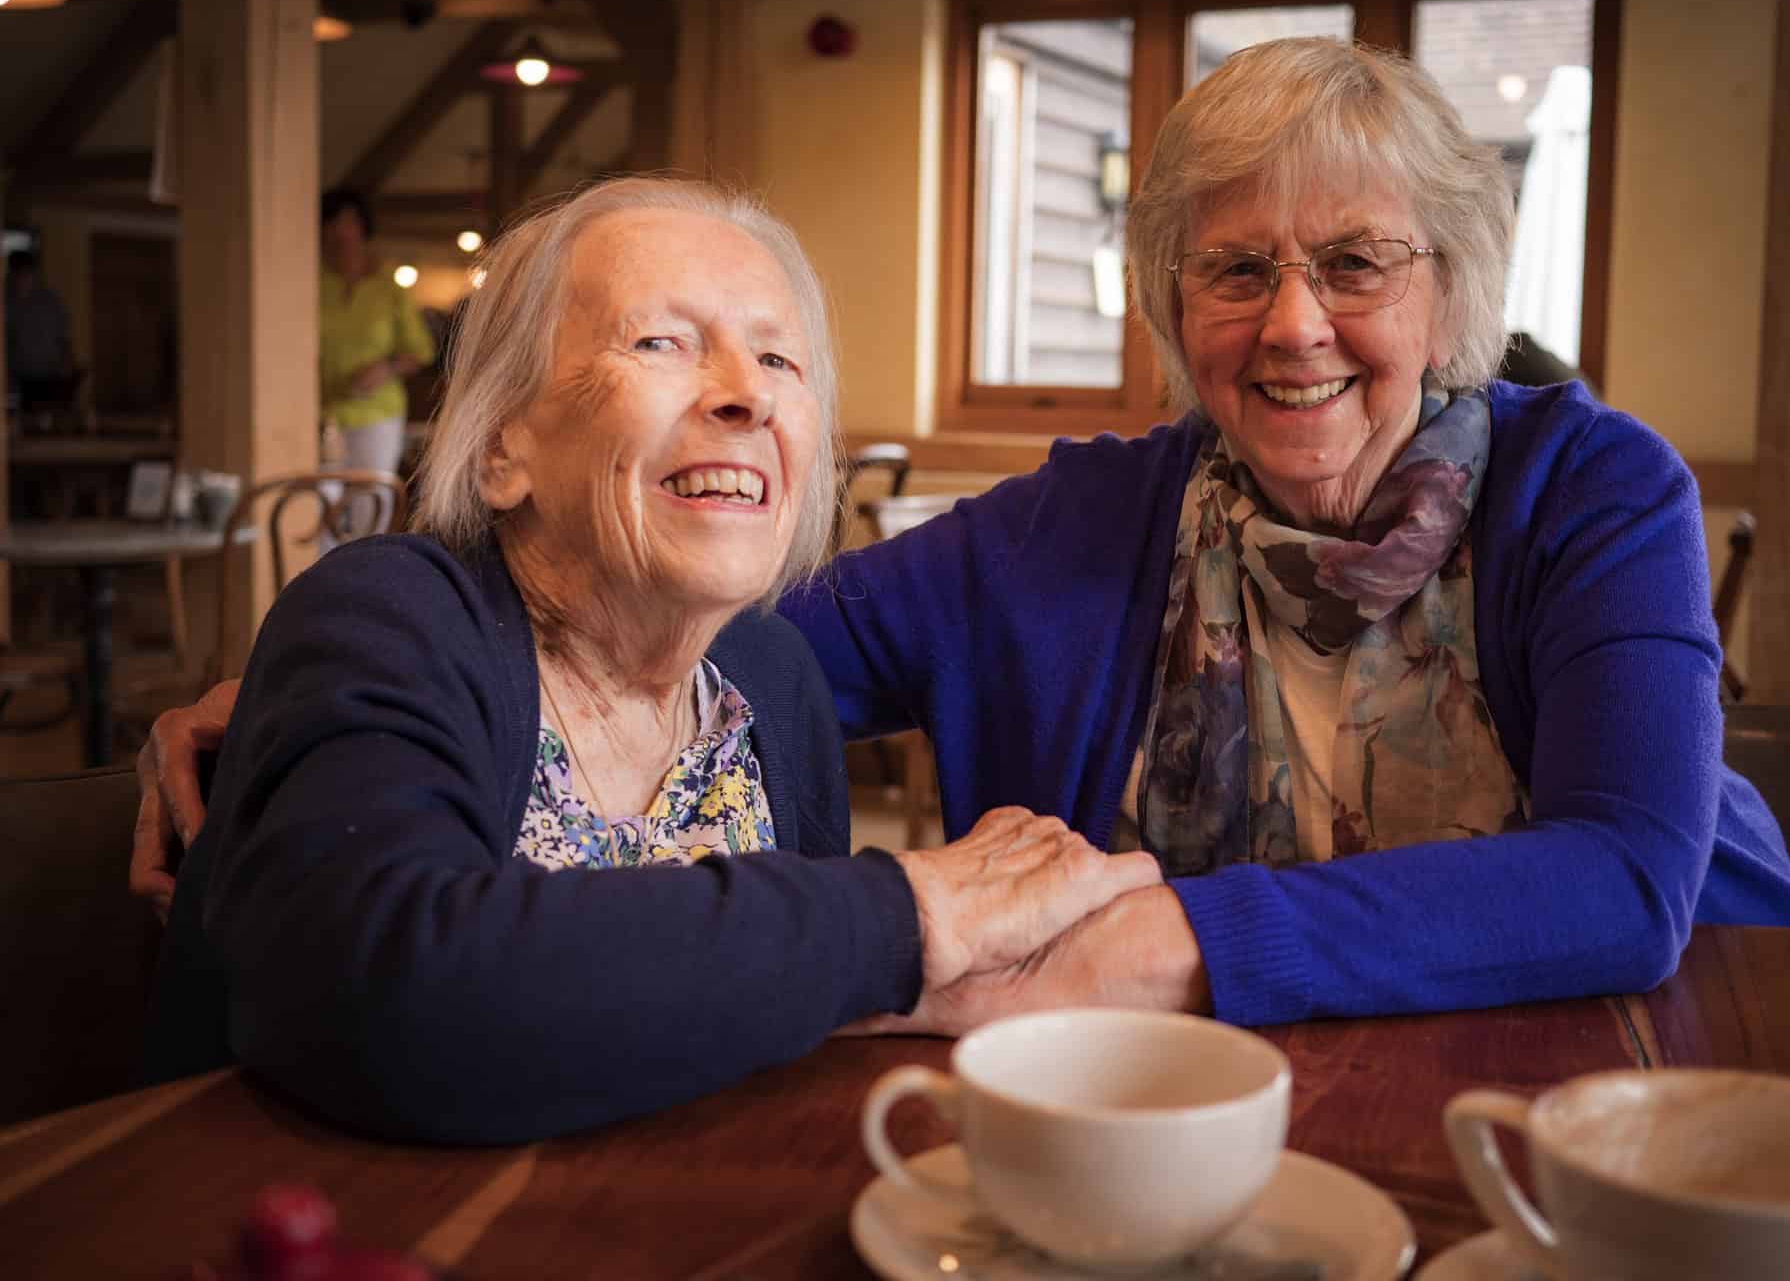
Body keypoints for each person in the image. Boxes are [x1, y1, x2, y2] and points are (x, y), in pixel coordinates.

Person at [138, 40, 1790, 1048]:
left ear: (1453, 290)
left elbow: (1628, 887)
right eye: (1234, 269)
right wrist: (356, 693)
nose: (1296, 325)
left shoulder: (1592, 490)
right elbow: (708, 636)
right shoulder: (1081, 526)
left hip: (1663, 1062)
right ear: (1174, 306)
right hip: (1181, 1129)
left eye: (1357, 263)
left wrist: (1185, 941)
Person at [140, 178, 1160, 1144]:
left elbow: (763, 1026)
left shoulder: (769, 681)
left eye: (779, 362)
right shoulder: (389, 613)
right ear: (503, 447)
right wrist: (917, 912)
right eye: (662, 342)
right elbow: (384, 997)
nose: (745, 399)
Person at [318, 189, 436, 534]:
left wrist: (387, 368)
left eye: (349, 223)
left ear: (362, 229)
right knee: (317, 502)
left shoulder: (388, 289)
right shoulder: (311, 284)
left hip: (376, 414)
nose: (341, 233)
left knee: (369, 503)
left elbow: (422, 350)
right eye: (333, 223)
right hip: (322, 413)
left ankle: (362, 580)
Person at [5, 251, 78, 412]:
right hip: (19, 379)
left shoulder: (50, 301)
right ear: (13, 276)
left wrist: (67, 361)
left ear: (34, 275)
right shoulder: (7, 303)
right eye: (20, 276)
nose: (24, 281)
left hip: (50, 377)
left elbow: (64, 335)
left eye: (28, 275)